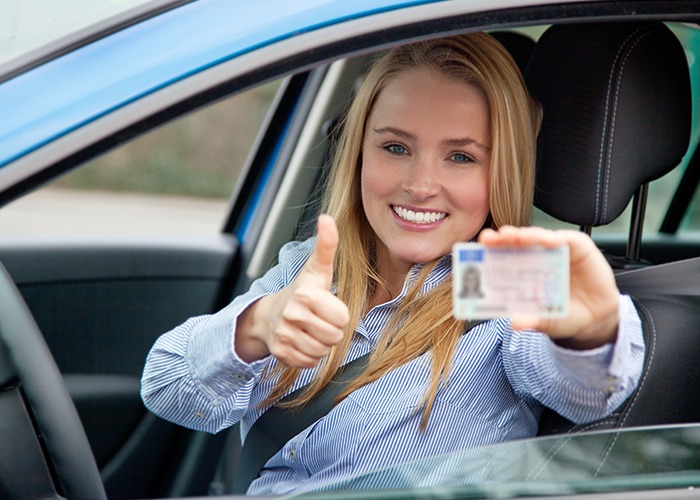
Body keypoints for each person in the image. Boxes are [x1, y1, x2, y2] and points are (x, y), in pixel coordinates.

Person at [141, 33, 644, 495]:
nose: (421, 184)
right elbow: (165, 385)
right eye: (396, 147)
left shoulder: (502, 279)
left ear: (502, 170)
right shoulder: (314, 270)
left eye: (462, 157)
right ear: (359, 152)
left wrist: (592, 331)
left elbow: (588, 389)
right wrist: (257, 326)